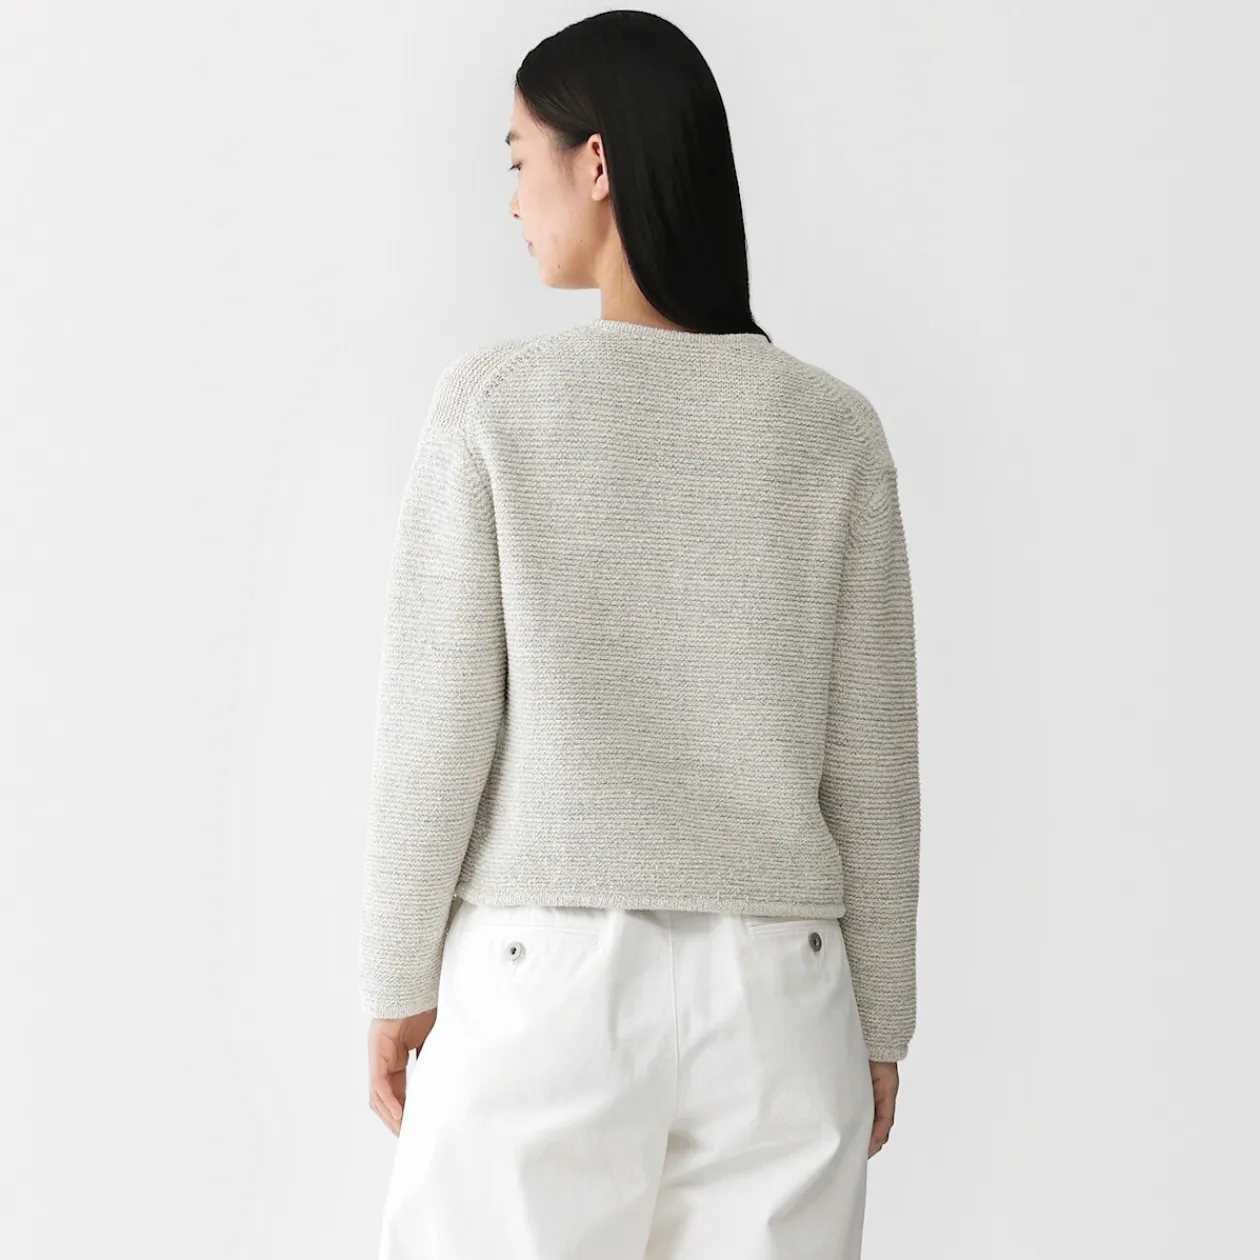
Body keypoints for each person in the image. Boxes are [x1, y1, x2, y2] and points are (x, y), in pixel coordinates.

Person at [358, 10, 921, 1259]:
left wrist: (397, 977)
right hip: (783, 993)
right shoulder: (833, 431)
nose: (513, 197)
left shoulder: (496, 404)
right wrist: (881, 1017)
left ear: (597, 162)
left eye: (521, 158)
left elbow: (437, 721)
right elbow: (873, 759)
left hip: (546, 979)